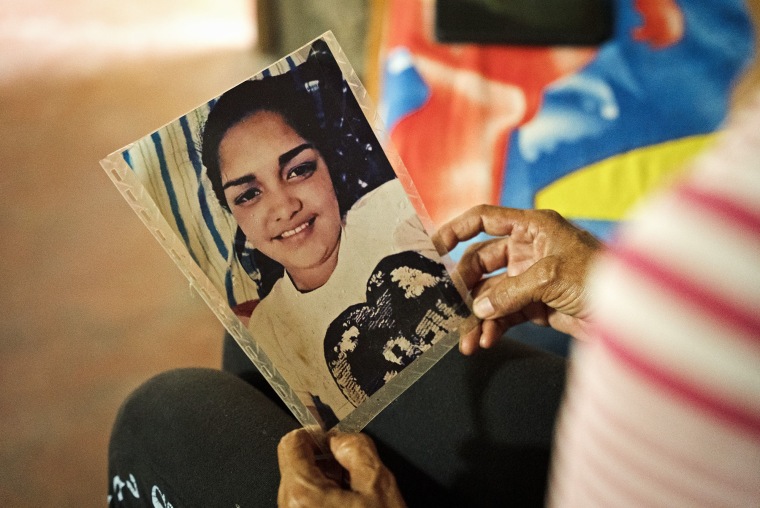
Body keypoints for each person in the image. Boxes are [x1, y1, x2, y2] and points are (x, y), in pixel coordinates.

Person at [200, 47, 467, 426]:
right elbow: (315, 436)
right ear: (234, 216)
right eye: (248, 195)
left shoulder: (394, 207)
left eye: (298, 170)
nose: (284, 206)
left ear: (327, 166)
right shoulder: (270, 326)